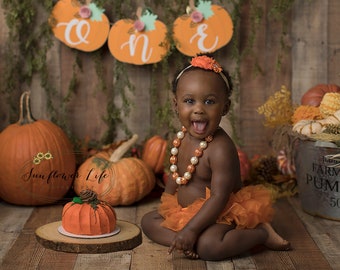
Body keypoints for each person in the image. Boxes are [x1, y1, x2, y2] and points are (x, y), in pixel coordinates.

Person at [141, 54, 291, 261]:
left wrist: (192, 229)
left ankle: (261, 234)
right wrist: (166, 205)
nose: (199, 109)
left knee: (210, 247)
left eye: (209, 101)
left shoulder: (220, 148)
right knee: (148, 221)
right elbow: (175, 176)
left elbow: (219, 197)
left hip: (220, 213)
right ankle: (186, 239)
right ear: (176, 105)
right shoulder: (181, 137)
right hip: (186, 211)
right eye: (189, 101)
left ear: (225, 107)